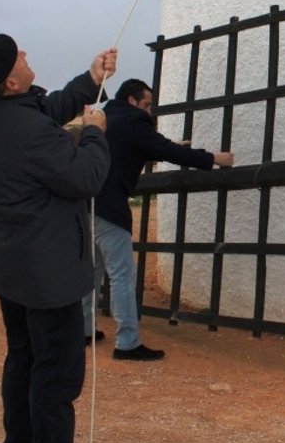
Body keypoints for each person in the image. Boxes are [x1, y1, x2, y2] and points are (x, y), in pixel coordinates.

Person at [0, 34, 115, 443]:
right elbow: (85, 177)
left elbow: (42, 110)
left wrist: (90, 79)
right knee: (56, 368)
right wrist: (94, 133)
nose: (26, 56)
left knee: (24, 358)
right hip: (44, 270)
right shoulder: (27, 131)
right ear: (11, 82)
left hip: (8, 263)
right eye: (19, 57)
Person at [83, 78, 234, 361]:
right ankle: (127, 343)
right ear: (132, 101)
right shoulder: (134, 121)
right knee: (122, 276)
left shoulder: (105, 118)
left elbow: (137, 147)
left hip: (85, 205)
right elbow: (165, 151)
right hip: (110, 207)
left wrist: (169, 145)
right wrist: (214, 158)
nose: (149, 110)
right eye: (147, 104)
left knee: (90, 273)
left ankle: (83, 329)